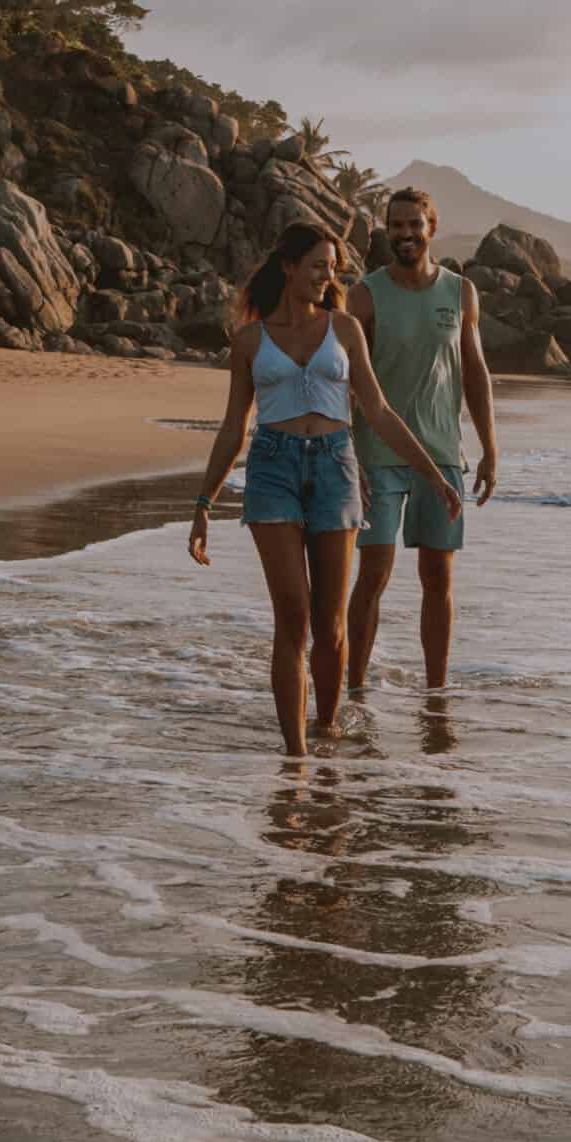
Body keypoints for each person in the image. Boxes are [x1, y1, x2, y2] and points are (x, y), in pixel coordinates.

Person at [189, 220, 462, 756]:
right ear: (289, 267)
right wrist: (204, 502)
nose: (327, 276)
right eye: (318, 266)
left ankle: (328, 728)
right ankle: (296, 757)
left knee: (331, 624)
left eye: (333, 268)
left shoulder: (345, 330)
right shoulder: (249, 341)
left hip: (337, 469)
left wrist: (432, 475)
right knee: (292, 616)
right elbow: (233, 428)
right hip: (272, 469)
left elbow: (379, 412)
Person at [346, 186, 498, 692]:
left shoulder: (460, 293)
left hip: (442, 453)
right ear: (387, 230)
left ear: (431, 227)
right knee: (374, 575)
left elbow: (474, 373)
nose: (405, 234)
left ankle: (436, 694)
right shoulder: (365, 294)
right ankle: (354, 690)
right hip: (376, 454)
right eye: (396, 225)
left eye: (414, 224)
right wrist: (350, 456)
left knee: (438, 579)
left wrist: (490, 448)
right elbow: (349, 381)